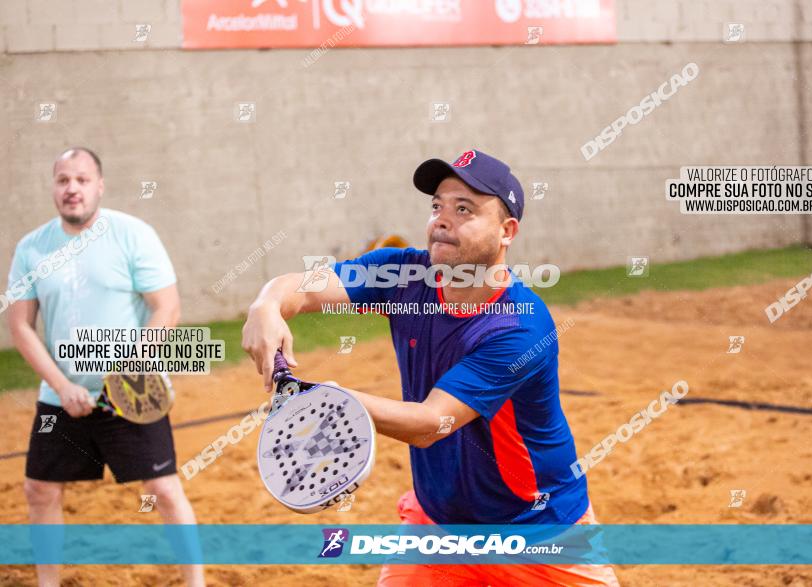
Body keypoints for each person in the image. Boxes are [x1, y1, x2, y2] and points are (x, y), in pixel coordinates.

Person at [242, 149, 619, 585]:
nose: (442, 219)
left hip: (538, 531)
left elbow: (431, 424)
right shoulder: (401, 275)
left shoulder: (520, 327)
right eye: (437, 206)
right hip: (439, 525)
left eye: (465, 210)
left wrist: (329, 399)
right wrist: (267, 304)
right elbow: (304, 290)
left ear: (506, 231)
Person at [6, 147, 205, 587]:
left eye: (81, 179)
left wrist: (127, 373)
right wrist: (61, 385)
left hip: (131, 392)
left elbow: (166, 308)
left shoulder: (133, 234)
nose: (71, 189)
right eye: (62, 180)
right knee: (39, 490)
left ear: (100, 186)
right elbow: (20, 326)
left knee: (164, 489)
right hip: (62, 396)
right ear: (54, 188)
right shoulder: (31, 248)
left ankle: (195, 582)